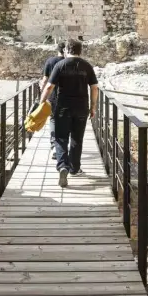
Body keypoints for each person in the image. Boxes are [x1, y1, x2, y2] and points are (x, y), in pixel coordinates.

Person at [40, 39, 98, 187]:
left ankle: (63, 167)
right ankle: (74, 168)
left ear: (66, 50)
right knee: (77, 139)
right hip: (81, 108)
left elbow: (49, 87)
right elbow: (94, 88)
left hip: (62, 107)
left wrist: (41, 103)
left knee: (60, 138)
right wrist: (93, 107)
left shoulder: (60, 65)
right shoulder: (87, 66)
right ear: (81, 51)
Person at [39, 41, 66, 154]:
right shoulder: (68, 62)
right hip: (67, 96)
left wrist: (42, 93)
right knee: (65, 120)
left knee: (53, 119)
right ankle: (63, 146)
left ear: (57, 50)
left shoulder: (50, 61)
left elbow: (45, 80)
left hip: (52, 95)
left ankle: (54, 144)